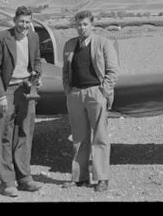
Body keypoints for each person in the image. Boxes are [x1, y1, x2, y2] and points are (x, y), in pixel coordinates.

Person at [0, 6, 43, 197]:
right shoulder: (2, 37)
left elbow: (36, 60)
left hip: (26, 89)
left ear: (31, 22)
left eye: (27, 22)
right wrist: (1, 95)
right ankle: (9, 181)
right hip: (7, 90)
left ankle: (25, 177)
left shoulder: (33, 37)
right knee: (5, 134)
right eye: (21, 21)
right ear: (14, 20)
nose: (24, 25)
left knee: (25, 132)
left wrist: (37, 74)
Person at [61, 10, 120, 192]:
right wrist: (69, 90)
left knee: (100, 136)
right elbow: (65, 71)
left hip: (96, 93)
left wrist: (104, 90)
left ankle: (102, 178)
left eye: (85, 24)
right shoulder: (70, 44)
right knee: (79, 137)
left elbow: (112, 71)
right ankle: (80, 177)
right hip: (76, 94)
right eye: (79, 25)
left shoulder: (103, 43)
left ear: (92, 25)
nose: (82, 28)